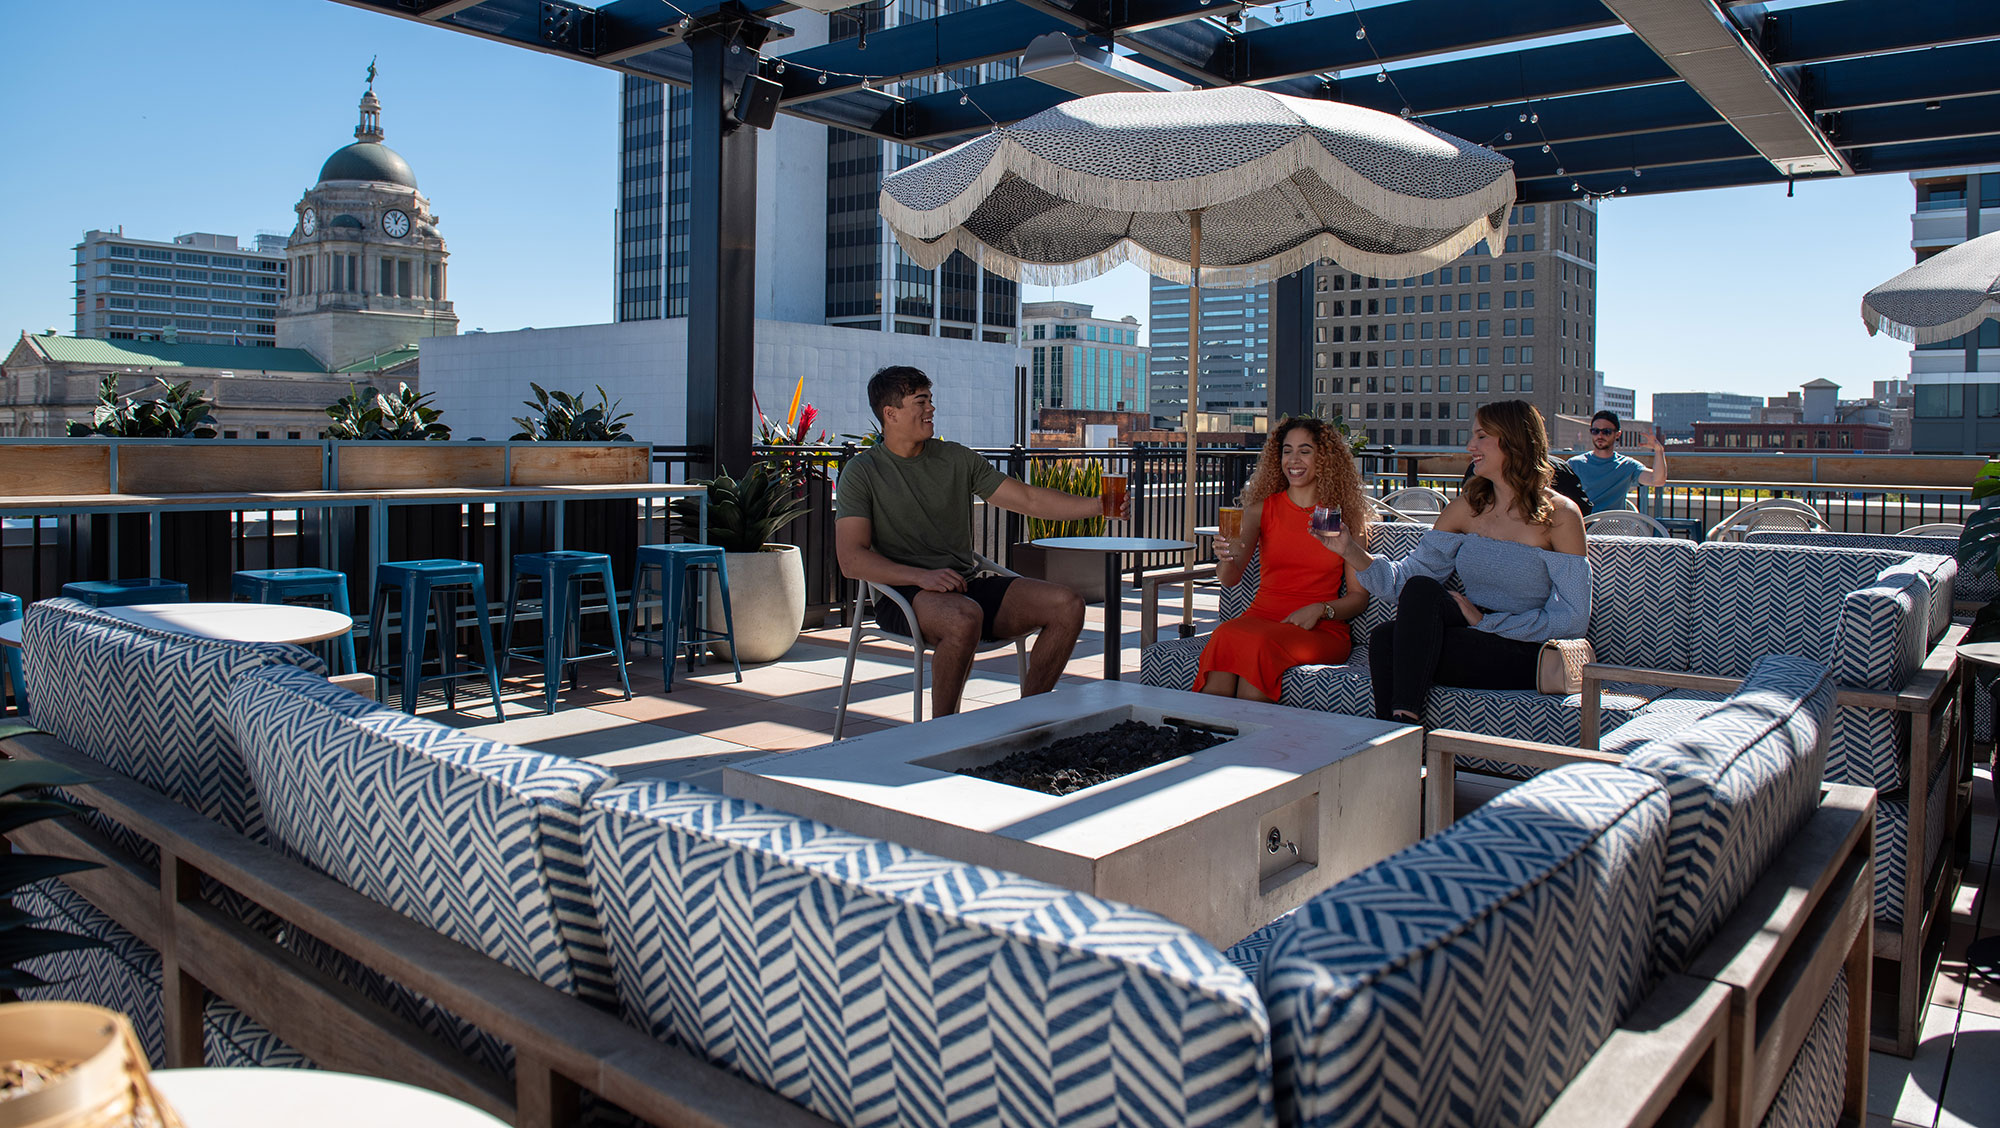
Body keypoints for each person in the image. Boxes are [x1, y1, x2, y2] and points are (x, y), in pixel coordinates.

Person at [834, 366, 1120, 718]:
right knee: (963, 618)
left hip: (962, 585)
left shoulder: (955, 457)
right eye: (921, 401)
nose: (931, 409)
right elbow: (851, 559)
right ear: (890, 414)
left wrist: (1098, 506)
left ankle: (1025, 721)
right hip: (903, 594)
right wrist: (921, 577)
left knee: (1067, 605)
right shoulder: (862, 472)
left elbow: (1028, 500)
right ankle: (943, 731)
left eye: (931, 400)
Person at [1322, 400, 1590, 726]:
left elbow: (1573, 618)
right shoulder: (1464, 509)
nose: (1470, 446)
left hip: (1524, 646)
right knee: (1397, 620)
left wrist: (1487, 623)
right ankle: (1401, 733)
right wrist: (1348, 548)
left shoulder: (1560, 515)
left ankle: (1396, 743)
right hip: (1471, 634)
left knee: (1390, 645)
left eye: (1481, 436)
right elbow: (1404, 583)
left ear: (1512, 440)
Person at [1195, 418, 1372, 703]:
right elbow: (1230, 579)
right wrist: (1225, 556)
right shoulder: (1260, 511)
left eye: (1305, 450)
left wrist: (1321, 609)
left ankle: (1249, 742)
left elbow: (1358, 598)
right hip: (1261, 616)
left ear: (1323, 458)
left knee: (1261, 645)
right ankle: (1205, 737)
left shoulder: (1340, 517)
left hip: (1320, 627)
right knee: (1225, 634)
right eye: (1287, 450)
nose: (1293, 459)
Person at [1567, 410, 1667, 512]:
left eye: (1606, 432)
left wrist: (1659, 450)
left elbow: (1658, 480)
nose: (1600, 436)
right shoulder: (1574, 464)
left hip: (1614, 525)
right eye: (1595, 431)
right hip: (1582, 525)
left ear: (1618, 434)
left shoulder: (1627, 465)